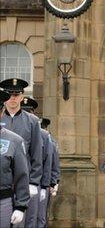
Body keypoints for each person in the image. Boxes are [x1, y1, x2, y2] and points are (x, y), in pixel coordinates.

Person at [0, 78, 43, 228]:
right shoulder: (1, 116)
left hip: (22, 179)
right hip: (3, 179)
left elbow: (37, 153)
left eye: (16, 95)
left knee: (23, 221)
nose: (13, 98)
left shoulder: (32, 121)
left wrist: (33, 182)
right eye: (9, 95)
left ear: (22, 96)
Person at [21, 98, 54, 228]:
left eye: (29, 112)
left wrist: (45, 185)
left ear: (33, 114)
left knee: (35, 219)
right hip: (14, 182)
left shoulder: (44, 135)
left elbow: (46, 161)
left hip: (34, 182)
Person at [0, 89, 30, 227]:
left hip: (3, 201)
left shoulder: (14, 140)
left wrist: (21, 206)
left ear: (1, 112)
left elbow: (21, 175)